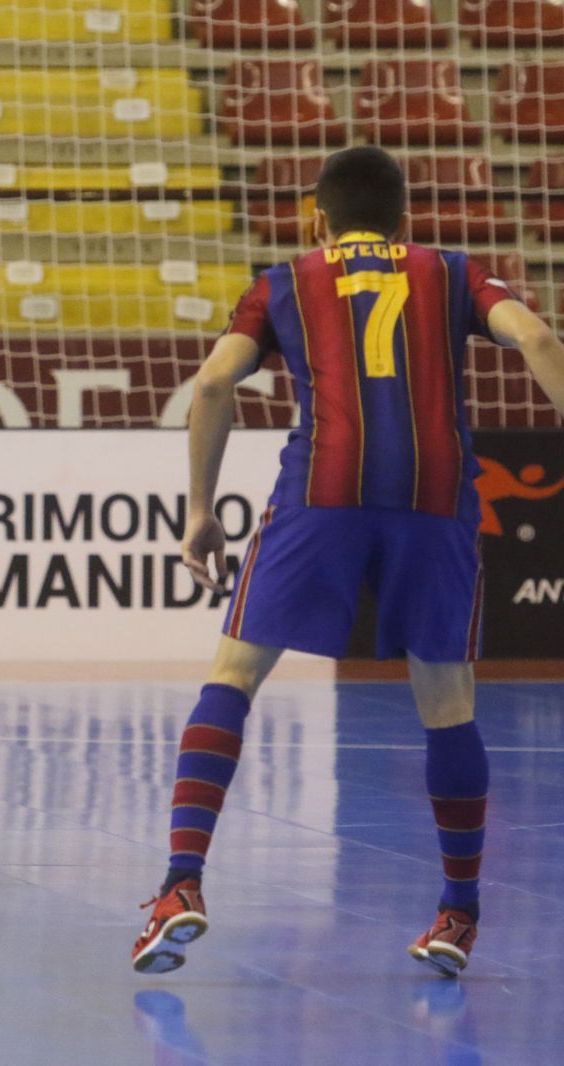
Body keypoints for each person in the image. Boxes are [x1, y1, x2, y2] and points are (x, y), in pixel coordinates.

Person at [131, 146, 564, 977]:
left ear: (316, 217)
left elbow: (215, 385)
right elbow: (536, 337)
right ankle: (457, 915)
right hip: (435, 501)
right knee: (447, 703)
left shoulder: (284, 280)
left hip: (321, 493)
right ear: (404, 220)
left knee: (233, 676)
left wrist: (198, 511)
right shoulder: (453, 271)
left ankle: (181, 886)